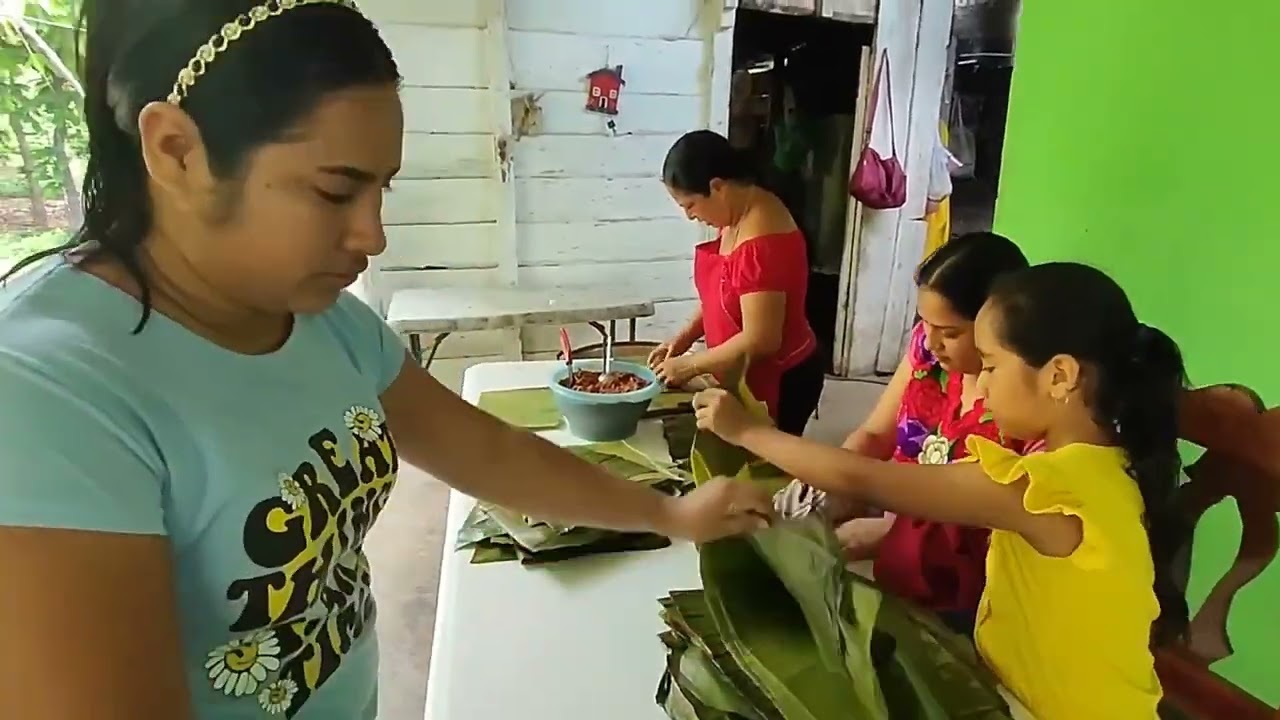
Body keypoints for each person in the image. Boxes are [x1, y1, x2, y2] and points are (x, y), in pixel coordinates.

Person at [0, 3, 774, 719]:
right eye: (335, 192)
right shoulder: (48, 394)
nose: (373, 236)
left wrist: (670, 513)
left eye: (381, 191)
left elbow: (487, 450)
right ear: (176, 150)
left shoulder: (325, 322)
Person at [694, 262, 1188, 719]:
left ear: (1060, 375)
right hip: (1022, 684)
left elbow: (865, 478)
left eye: (991, 366)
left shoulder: (1048, 488)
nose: (984, 385)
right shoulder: (1098, 463)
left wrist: (746, 432)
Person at [814, 231, 1029, 632]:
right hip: (900, 546)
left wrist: (891, 532)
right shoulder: (927, 351)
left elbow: (994, 521)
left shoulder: (1020, 403)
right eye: (924, 323)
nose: (931, 342)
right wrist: (828, 486)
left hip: (964, 583)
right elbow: (876, 436)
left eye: (950, 332)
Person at [651, 129, 824, 435]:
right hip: (745, 373)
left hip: (782, 379)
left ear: (717, 187)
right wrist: (682, 340)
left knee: (766, 472)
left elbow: (761, 339)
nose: (690, 216)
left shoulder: (761, 240)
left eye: (690, 205)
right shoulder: (735, 216)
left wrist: (691, 365)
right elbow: (721, 296)